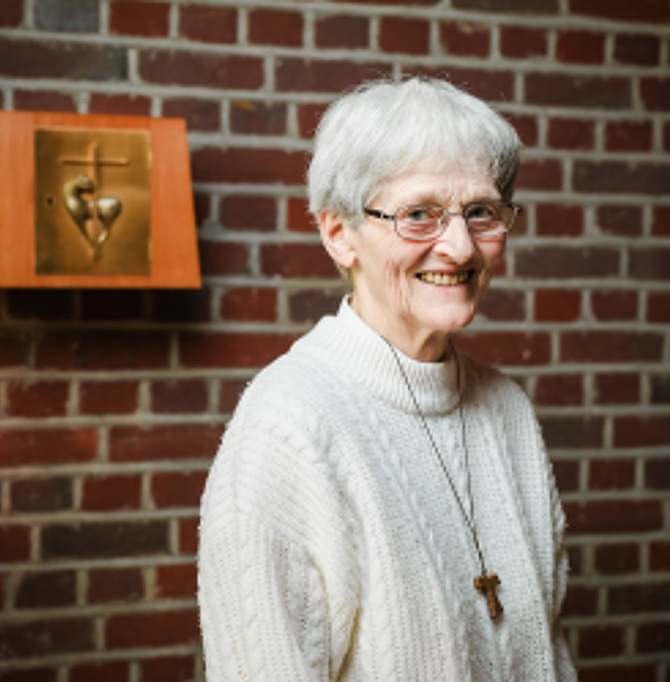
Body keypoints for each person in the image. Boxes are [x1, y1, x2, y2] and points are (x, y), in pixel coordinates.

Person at [197, 77, 576, 680]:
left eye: (481, 212)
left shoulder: (508, 409)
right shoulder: (287, 426)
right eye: (419, 215)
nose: (460, 248)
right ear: (338, 234)